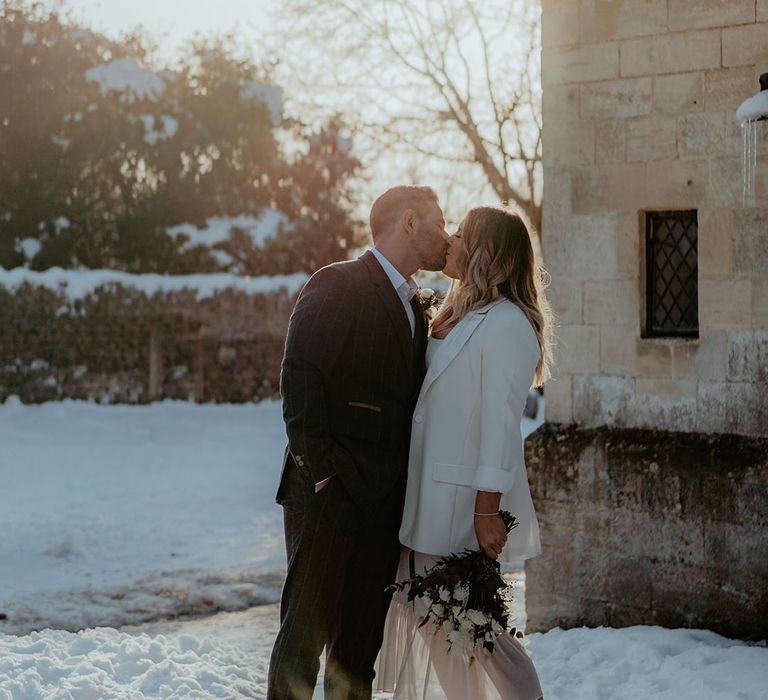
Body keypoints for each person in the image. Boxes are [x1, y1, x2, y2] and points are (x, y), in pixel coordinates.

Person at [267, 185, 450, 700]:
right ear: (409, 223)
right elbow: (300, 377)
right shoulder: (337, 283)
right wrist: (322, 473)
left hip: (384, 506)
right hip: (328, 498)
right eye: (440, 222)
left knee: (357, 656)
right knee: (301, 647)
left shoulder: (419, 308)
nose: (447, 234)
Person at [375, 205, 554, 700]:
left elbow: (500, 425)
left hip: (461, 503)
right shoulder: (460, 312)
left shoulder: (508, 323)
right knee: (438, 625)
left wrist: (485, 509)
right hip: (424, 495)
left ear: (487, 250)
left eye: (462, 233)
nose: (451, 237)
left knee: (478, 626)